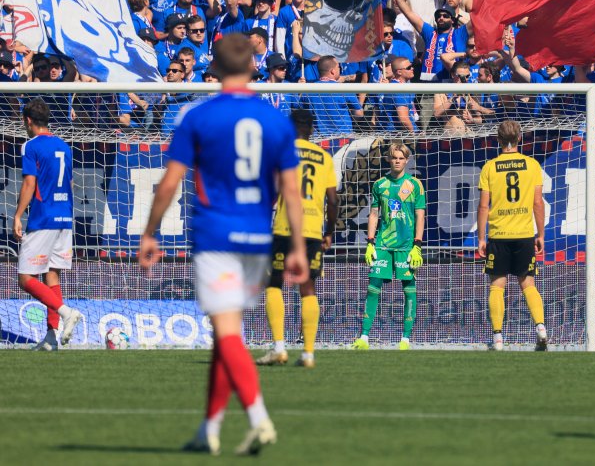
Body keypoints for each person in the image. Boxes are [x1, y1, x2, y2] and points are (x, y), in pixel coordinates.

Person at [139, 33, 308, 456]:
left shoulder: (198, 116)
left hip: (217, 235)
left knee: (227, 332)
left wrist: (150, 231)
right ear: (254, 66)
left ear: (212, 69)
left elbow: (170, 183)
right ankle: (209, 430)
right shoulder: (275, 120)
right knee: (224, 333)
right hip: (258, 237)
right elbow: (290, 190)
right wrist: (299, 248)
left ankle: (259, 419)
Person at [258, 107, 338, 368]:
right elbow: (333, 199)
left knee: (274, 284)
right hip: (313, 228)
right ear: (312, 129)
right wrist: (329, 232)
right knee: (308, 287)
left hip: (284, 226)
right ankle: (308, 354)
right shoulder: (324, 157)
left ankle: (279, 348)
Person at [13, 98, 82, 351]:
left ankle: (65, 312)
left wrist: (18, 215)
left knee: (24, 278)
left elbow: (30, 183)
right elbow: (71, 184)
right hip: (65, 217)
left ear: (28, 121)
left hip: (43, 218)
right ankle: (52, 338)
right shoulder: (64, 146)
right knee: (52, 274)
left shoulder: (31, 146)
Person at [476, 120, 547, 351]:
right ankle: (540, 328)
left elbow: (483, 206)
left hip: (499, 234)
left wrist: (481, 238)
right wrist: (541, 234)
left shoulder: (490, 167)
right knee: (528, 284)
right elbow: (538, 203)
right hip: (524, 234)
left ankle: (497, 338)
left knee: (497, 286)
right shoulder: (532, 165)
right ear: (519, 139)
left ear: (497, 139)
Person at [352, 142, 425, 350]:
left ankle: (405, 340)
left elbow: (420, 217)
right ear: (389, 159)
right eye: (394, 158)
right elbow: (374, 214)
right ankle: (364, 337)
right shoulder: (380, 185)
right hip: (383, 244)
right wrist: (370, 243)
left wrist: (417, 245)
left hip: (406, 246)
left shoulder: (415, 185)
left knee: (409, 290)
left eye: (401, 158)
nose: (397, 161)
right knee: (372, 288)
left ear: (407, 160)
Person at [300, 56, 364, 134]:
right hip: (343, 140)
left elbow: (300, 109)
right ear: (333, 71)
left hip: (318, 141)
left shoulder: (308, 91)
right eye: (338, 67)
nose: (340, 68)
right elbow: (359, 113)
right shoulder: (344, 89)